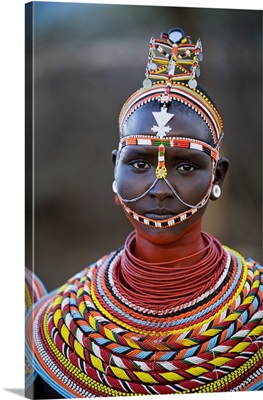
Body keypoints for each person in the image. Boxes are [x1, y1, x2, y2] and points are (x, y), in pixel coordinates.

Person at [25, 27, 263, 398]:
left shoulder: (256, 311)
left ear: (217, 176)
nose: (161, 188)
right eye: (139, 164)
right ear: (114, 169)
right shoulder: (60, 319)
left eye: (186, 166)